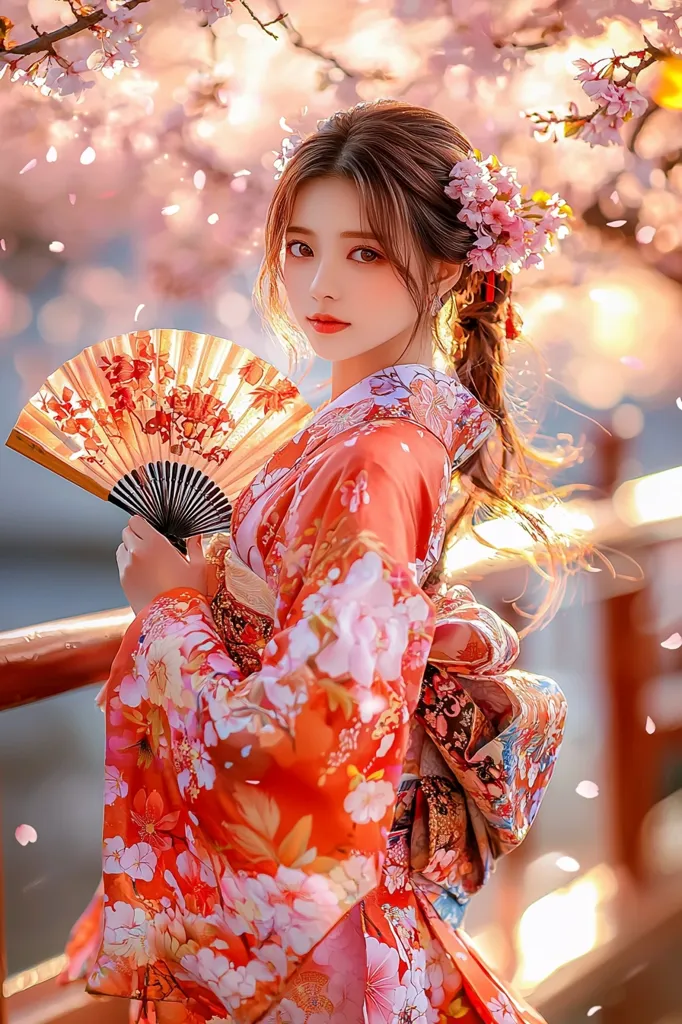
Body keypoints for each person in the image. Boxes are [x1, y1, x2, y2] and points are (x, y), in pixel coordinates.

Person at [61, 100, 573, 1023]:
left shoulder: (379, 455)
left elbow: (312, 740)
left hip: (320, 931)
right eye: (300, 247)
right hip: (344, 903)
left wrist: (173, 610)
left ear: (451, 266)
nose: (319, 284)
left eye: (364, 253)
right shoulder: (365, 438)